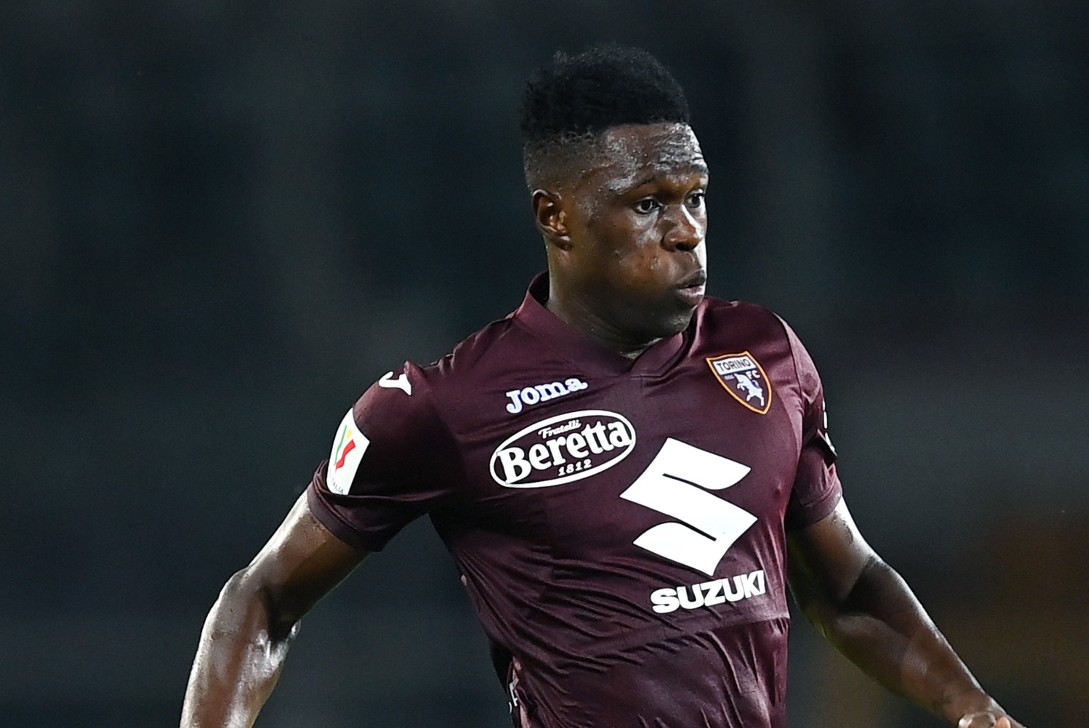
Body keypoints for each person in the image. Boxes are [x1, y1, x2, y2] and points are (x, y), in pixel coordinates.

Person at [181, 45, 1023, 728]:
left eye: (696, 197)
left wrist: (972, 708)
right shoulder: (442, 407)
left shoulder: (765, 355)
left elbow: (847, 588)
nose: (687, 230)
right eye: (649, 204)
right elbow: (262, 597)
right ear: (557, 218)